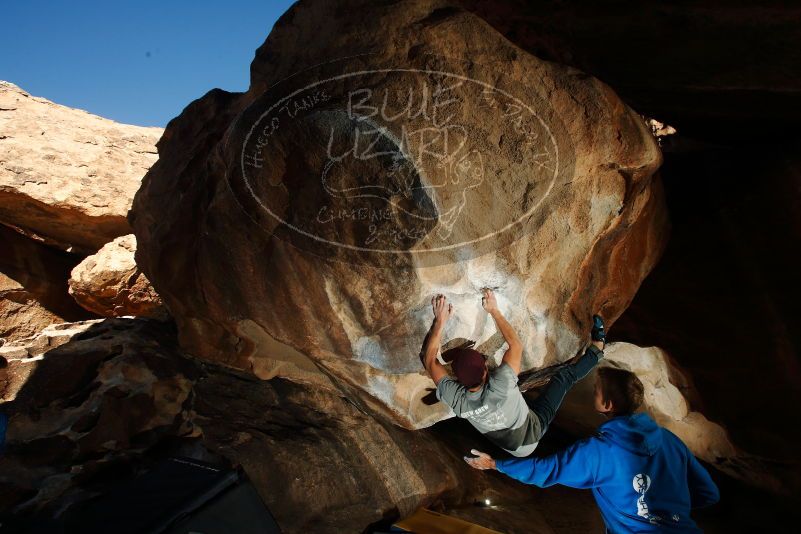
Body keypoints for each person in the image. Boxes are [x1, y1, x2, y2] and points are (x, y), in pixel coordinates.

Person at [464, 366, 720, 533]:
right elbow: (709, 493)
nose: (592, 394)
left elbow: (546, 470)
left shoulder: (600, 451)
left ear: (607, 405)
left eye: (596, 391)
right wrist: (669, 509)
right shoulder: (669, 440)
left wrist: (496, 464)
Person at [420, 288, 605, 457]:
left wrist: (438, 323)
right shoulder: (501, 384)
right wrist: (493, 310)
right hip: (533, 432)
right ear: (486, 370)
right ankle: (598, 349)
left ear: (457, 380)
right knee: (563, 378)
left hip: (513, 448)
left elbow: (429, 361)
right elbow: (516, 345)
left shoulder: (458, 401)